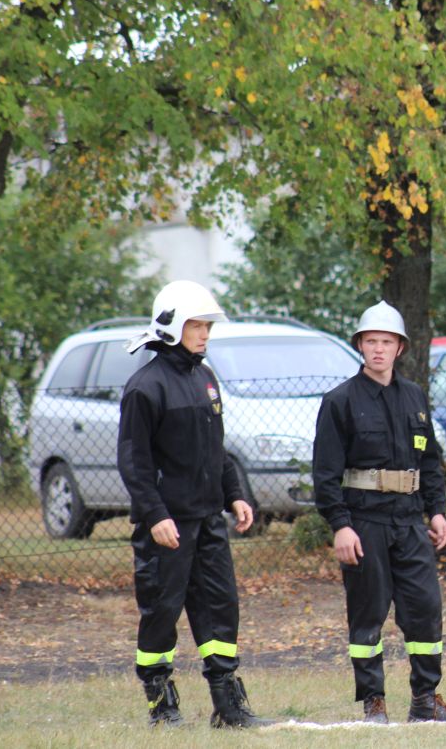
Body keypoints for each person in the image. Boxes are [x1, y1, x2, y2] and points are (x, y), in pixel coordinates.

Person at [118, 280, 270, 728]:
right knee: (161, 612)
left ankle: (228, 705)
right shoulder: (145, 387)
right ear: (171, 326)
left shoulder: (205, 378)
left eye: (207, 326)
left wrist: (235, 494)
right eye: (197, 325)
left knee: (221, 607)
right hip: (167, 526)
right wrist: (155, 515)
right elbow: (134, 462)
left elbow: (215, 449)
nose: (205, 334)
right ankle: (161, 704)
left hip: (208, 521)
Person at [311, 301, 446, 724]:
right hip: (365, 523)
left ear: (400, 348)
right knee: (368, 614)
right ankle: (373, 701)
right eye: (371, 341)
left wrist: (437, 512)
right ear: (360, 346)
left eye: (386, 342)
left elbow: (429, 462)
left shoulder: (414, 397)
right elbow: (325, 474)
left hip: (410, 522)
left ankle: (425, 700)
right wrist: (341, 526)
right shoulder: (340, 401)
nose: (378, 349)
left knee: (425, 609)